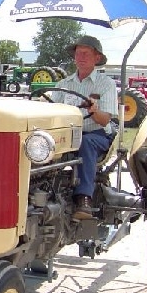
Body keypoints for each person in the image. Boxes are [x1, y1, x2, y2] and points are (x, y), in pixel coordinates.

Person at [52, 35, 118, 220]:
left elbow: (104, 120)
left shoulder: (106, 84)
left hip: (97, 133)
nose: (80, 57)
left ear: (97, 58)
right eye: (78, 53)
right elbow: (52, 110)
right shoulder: (63, 84)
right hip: (68, 134)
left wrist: (94, 110)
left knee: (86, 142)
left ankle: (84, 199)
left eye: (85, 53)